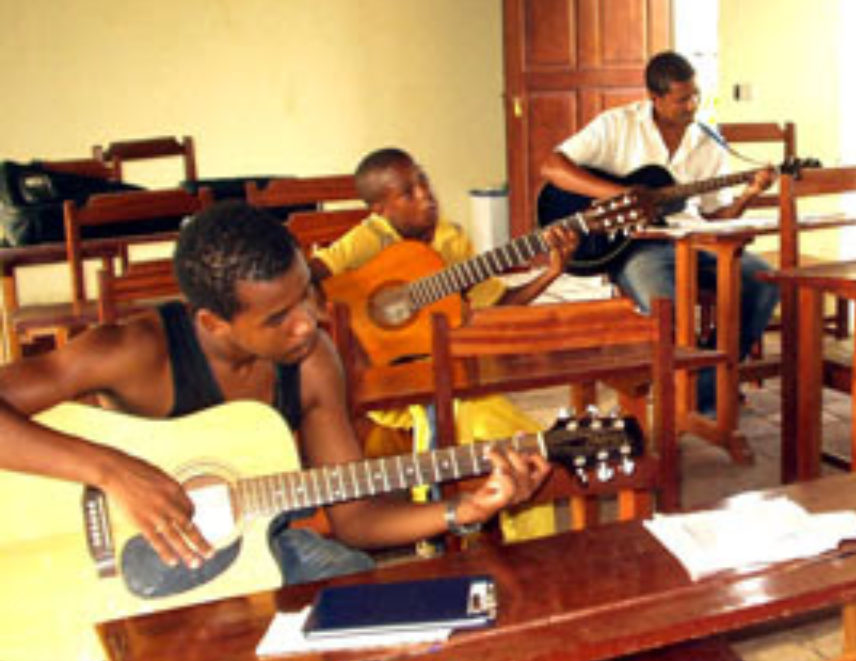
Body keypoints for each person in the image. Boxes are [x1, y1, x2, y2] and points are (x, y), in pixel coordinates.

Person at [0, 201, 551, 584]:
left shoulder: (311, 361)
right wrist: (112, 471)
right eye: (278, 317)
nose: (308, 324)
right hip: (113, 560)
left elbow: (354, 521)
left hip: (255, 548)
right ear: (214, 324)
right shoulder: (133, 352)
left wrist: (466, 508)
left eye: (306, 296)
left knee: (355, 585)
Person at [310, 147, 578, 542]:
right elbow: (306, 280)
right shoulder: (368, 239)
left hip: (450, 380)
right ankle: (455, 529)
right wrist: (352, 335)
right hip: (389, 385)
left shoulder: (451, 240)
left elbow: (497, 306)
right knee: (488, 425)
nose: (426, 196)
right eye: (408, 193)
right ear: (379, 208)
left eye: (424, 182)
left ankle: (516, 541)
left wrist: (551, 273)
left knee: (507, 436)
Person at [539, 50, 780, 415]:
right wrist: (621, 196)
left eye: (696, 95)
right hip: (636, 247)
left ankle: (698, 396)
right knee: (669, 308)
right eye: (682, 99)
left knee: (764, 281)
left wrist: (749, 193)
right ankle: (694, 396)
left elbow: (716, 214)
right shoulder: (616, 126)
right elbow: (552, 167)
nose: (692, 105)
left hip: (696, 238)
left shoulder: (708, 141)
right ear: (655, 98)